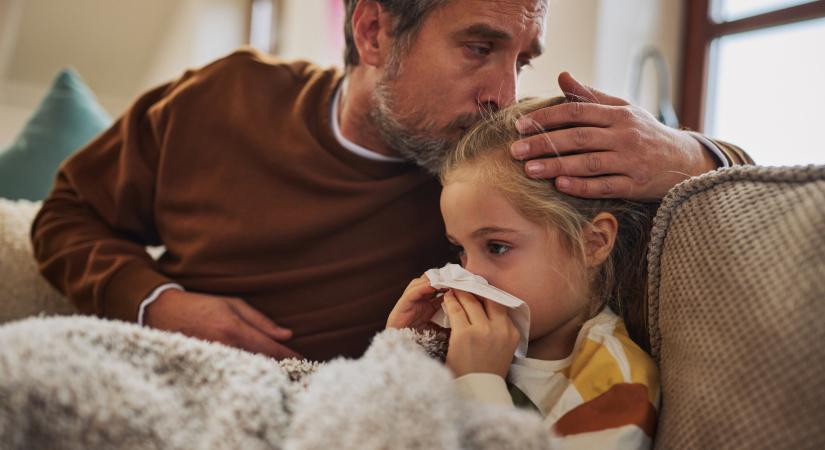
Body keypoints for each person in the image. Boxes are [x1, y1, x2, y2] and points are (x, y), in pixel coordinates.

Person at [31, 0, 752, 361]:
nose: (503, 91)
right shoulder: (219, 100)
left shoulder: (516, 164)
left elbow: (752, 203)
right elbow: (63, 215)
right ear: (374, 32)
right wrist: (158, 302)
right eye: (478, 47)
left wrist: (690, 155)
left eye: (521, 60)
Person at [387, 97, 659, 448]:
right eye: (461, 250)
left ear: (593, 243)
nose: (472, 275)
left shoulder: (616, 381)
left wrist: (476, 383)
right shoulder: (458, 342)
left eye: (497, 247)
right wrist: (402, 354)